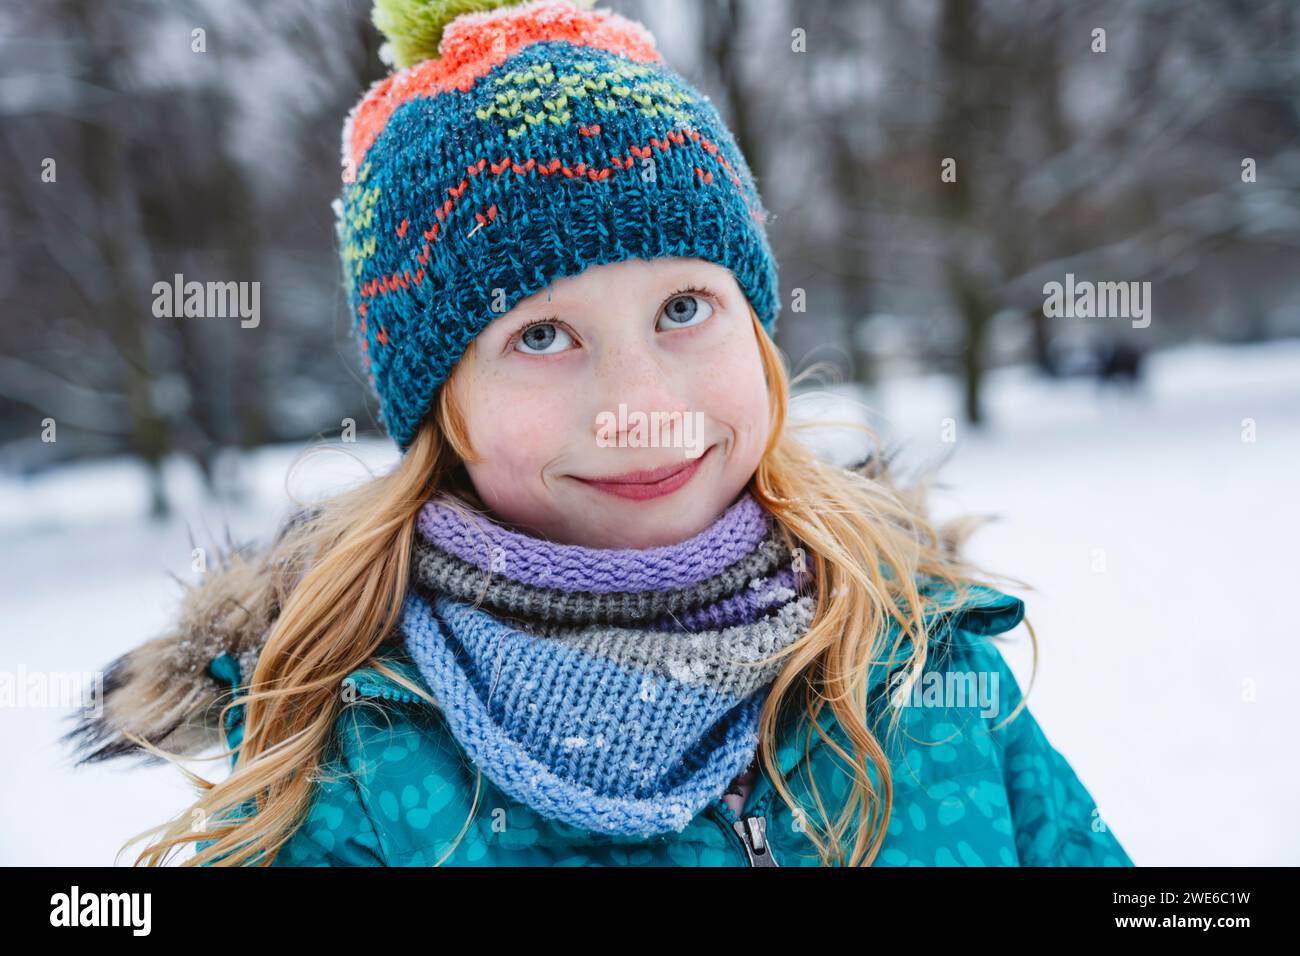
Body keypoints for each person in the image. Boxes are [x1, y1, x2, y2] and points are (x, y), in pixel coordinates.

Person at [64, 0, 1132, 868]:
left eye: (682, 309)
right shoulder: (347, 765)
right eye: (541, 335)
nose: (639, 399)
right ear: (442, 407)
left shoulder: (915, 654)